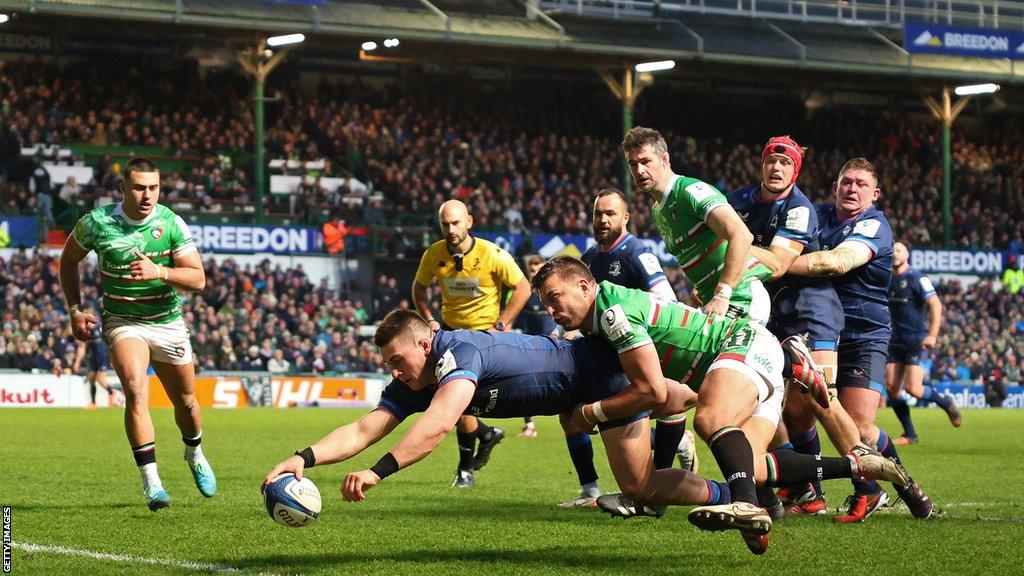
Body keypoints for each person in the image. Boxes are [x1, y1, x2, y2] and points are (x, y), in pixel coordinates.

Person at [264, 310, 827, 556]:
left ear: (422, 341)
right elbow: (366, 425)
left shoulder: (458, 351)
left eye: (395, 358)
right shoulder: (413, 379)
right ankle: (749, 488)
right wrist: (302, 458)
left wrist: (378, 472)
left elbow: (438, 427)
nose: (392, 370)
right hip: (582, 396)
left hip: (600, 374)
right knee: (643, 482)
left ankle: (781, 371)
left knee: (698, 396)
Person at [532, 257, 910, 554]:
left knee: (712, 418)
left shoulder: (613, 312)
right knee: (755, 466)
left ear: (583, 286)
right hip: (741, 358)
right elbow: (670, 396)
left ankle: (746, 504)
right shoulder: (608, 314)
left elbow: (652, 393)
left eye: (554, 298)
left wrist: (590, 414)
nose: (550, 309)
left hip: (739, 346)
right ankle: (860, 464)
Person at [59, 156, 216, 511]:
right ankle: (153, 483)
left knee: (187, 402)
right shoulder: (96, 223)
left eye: (154, 188)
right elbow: (68, 261)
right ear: (122, 189)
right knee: (134, 388)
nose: (148, 195)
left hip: (167, 321)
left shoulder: (171, 222)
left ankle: (194, 453)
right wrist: (74, 310)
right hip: (122, 320)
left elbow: (198, 278)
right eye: (140, 187)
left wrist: (159, 271)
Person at [787, 158, 933, 522]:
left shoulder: (875, 225)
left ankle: (903, 487)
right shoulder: (816, 215)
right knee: (798, 412)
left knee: (861, 427)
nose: (852, 189)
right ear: (835, 187)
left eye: (861, 184)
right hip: (819, 328)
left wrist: (777, 264)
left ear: (875, 194)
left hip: (863, 333)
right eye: (846, 182)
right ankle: (811, 492)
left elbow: (839, 261)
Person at [728, 136, 862, 516]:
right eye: (772, 160)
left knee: (821, 399)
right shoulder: (736, 201)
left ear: (795, 171)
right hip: (769, 311)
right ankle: (806, 490)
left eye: (785, 164)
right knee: (780, 406)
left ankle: (866, 483)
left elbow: (777, 263)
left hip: (810, 308)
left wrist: (732, 243)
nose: (777, 168)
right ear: (762, 164)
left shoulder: (800, 209)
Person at [565, 188, 697, 512]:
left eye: (610, 213)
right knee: (571, 413)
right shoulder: (589, 260)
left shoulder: (637, 253)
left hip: (636, 351)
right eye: (598, 214)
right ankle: (590, 489)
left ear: (626, 217)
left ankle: (656, 491)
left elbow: (666, 299)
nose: (603, 220)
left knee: (654, 408)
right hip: (602, 355)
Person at [412, 199, 531, 487]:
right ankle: (486, 435)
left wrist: (501, 324)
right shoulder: (434, 254)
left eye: (455, 222)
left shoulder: (493, 254)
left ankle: (466, 469)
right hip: (450, 333)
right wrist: (429, 319)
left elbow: (523, 287)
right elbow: (419, 288)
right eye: (445, 224)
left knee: (458, 404)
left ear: (469, 221)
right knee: (452, 403)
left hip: (482, 337)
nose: (450, 229)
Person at [886, 241, 960, 444]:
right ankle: (910, 434)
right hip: (894, 340)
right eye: (892, 250)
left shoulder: (917, 278)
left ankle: (946, 403)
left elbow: (935, 304)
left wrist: (933, 335)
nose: (894, 253)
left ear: (907, 254)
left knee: (914, 389)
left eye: (899, 250)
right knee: (892, 388)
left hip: (915, 340)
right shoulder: (887, 278)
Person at [513, 254, 563, 439]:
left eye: (540, 270)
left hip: (556, 346)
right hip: (531, 346)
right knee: (523, 384)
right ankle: (529, 425)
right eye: (532, 271)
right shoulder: (524, 294)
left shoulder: (556, 293)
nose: (536, 274)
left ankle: (572, 420)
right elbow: (514, 319)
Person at [71, 310, 121, 408]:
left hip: (102, 356)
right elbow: (82, 347)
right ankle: (93, 403)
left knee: (100, 379)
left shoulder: (100, 327)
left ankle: (112, 392)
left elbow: (110, 341)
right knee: (91, 379)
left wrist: (113, 358)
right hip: (92, 357)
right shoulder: (85, 331)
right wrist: (77, 362)